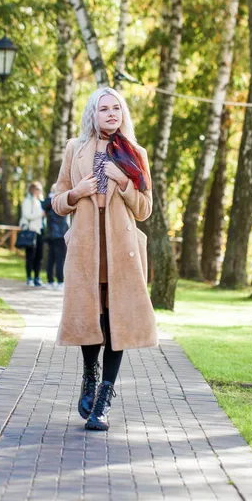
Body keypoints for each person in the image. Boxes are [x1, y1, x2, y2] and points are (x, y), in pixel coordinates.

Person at [52, 87, 157, 432]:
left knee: (116, 321)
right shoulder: (76, 149)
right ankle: (89, 375)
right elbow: (57, 200)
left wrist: (124, 181)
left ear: (123, 114)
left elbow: (145, 209)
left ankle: (104, 399)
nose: (112, 114)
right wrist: (76, 193)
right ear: (93, 115)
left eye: (116, 108)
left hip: (120, 251)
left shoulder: (135, 153)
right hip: (85, 247)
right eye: (104, 109)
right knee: (88, 315)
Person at [42, 183, 69, 290]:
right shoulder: (59, 200)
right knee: (59, 258)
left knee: (51, 258)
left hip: (51, 233)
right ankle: (60, 281)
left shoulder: (47, 202)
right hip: (60, 233)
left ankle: (50, 281)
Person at [19, 181, 44, 287]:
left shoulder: (39, 201)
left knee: (39, 256)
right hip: (30, 231)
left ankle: (37, 277)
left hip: (39, 231)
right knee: (30, 256)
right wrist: (40, 214)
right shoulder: (27, 201)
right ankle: (29, 277)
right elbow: (27, 215)